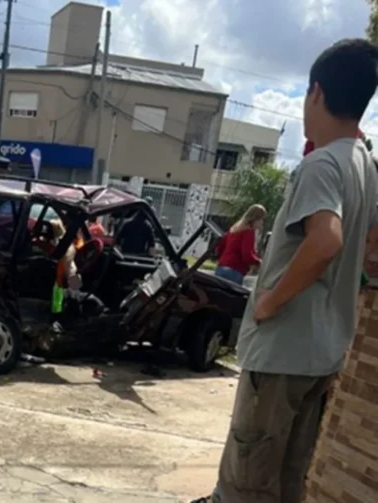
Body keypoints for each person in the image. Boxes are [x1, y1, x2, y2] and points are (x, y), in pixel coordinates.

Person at [192, 39, 378, 503]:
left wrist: (270, 300)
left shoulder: (322, 163)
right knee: (289, 483)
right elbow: (368, 246)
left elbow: (326, 239)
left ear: (316, 93)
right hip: (323, 354)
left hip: (282, 354)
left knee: (246, 486)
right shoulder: (367, 166)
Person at [213, 204, 266, 285]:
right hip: (234, 271)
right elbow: (247, 254)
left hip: (221, 268)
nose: (262, 222)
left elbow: (220, 246)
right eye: (262, 219)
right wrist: (258, 262)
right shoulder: (248, 231)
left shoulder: (234, 228)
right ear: (256, 219)